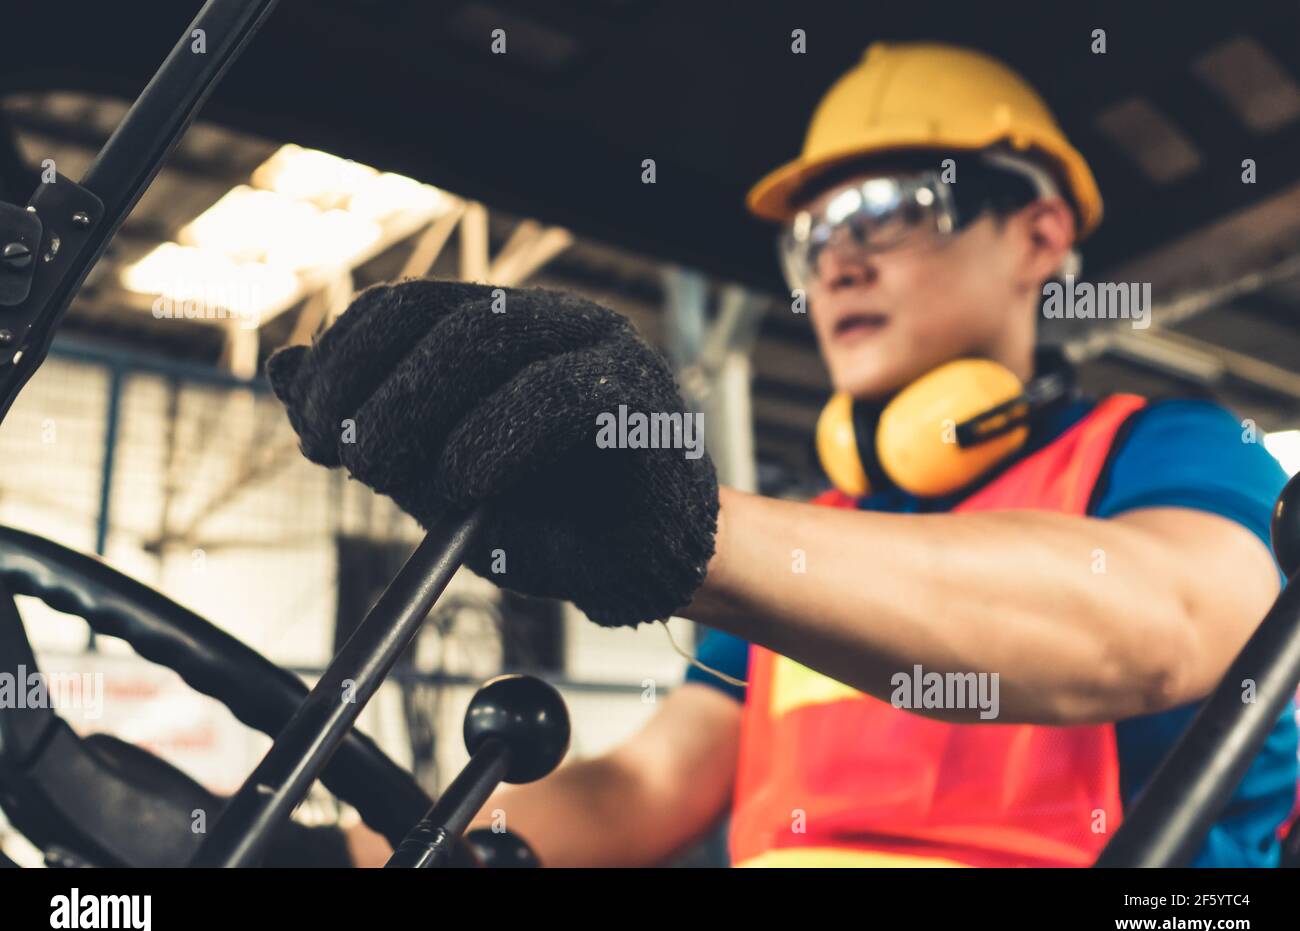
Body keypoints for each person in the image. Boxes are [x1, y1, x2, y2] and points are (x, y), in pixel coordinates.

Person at [271, 42, 1299, 867]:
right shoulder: (810, 544)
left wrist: (692, 529)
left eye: (886, 207)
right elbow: (643, 791)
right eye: (810, 236)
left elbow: (1157, 623)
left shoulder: (1172, 451)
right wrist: (319, 856)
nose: (836, 260)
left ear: (1036, 235)